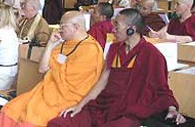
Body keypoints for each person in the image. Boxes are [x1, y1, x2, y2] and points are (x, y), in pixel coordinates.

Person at [49, 8, 186, 127]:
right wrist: (80, 106)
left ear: (131, 29)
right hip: (102, 106)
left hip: (129, 112)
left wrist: (172, 109)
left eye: (117, 26)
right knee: (59, 123)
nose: (113, 30)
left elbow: (162, 88)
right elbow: (102, 82)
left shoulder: (152, 55)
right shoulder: (114, 48)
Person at [0, 11, 104, 127]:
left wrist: (55, 70)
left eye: (63, 26)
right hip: (47, 90)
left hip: (69, 98)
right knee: (11, 108)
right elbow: (42, 69)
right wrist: (50, 44)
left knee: (32, 118)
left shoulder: (90, 49)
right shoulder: (64, 44)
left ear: (76, 27)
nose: (60, 29)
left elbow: (75, 82)